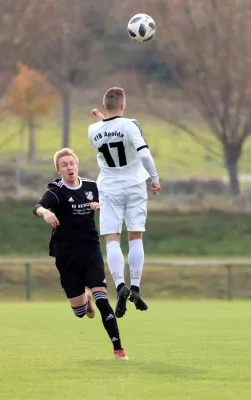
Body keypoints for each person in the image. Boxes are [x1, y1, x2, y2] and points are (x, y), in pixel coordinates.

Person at [33, 147, 128, 360]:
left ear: (77, 165)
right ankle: (85, 301)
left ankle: (119, 351)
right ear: (58, 169)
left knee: (103, 300)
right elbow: (38, 206)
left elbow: (112, 204)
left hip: (90, 249)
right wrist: (46, 212)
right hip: (66, 253)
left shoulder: (92, 186)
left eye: (72, 163)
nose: (69, 167)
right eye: (64, 164)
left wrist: (100, 205)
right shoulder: (56, 190)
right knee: (79, 312)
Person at [88, 87, 161, 319]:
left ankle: (120, 286)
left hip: (109, 187)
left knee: (112, 239)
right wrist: (155, 178)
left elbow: (107, 131)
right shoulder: (131, 124)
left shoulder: (93, 130)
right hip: (134, 186)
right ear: (123, 106)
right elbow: (144, 154)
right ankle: (136, 288)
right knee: (135, 237)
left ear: (103, 108)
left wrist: (101, 120)